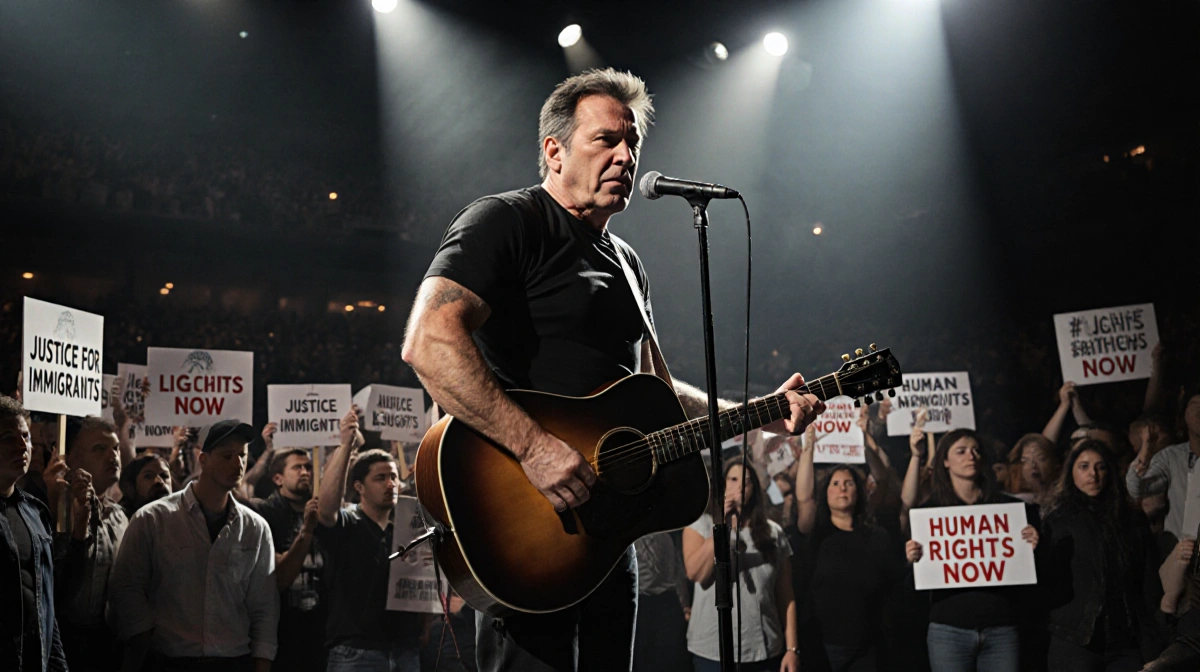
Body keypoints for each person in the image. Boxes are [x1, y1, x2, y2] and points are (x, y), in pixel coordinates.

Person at [400, 67, 824, 672]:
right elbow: (428, 340)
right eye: (606, 139)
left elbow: (659, 397)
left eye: (633, 144)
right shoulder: (506, 221)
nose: (625, 155)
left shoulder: (627, 262)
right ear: (554, 150)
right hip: (527, 527)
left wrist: (760, 417)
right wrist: (534, 447)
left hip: (608, 540)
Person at [108, 419, 279, 672]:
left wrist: (262, 664)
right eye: (227, 456)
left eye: (242, 455)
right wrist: (143, 637)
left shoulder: (256, 528)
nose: (238, 463)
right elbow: (126, 587)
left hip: (232, 661)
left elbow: (264, 605)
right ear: (203, 460)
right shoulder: (154, 519)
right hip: (169, 660)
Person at [904, 429, 1040, 672]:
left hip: (1002, 628)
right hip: (948, 630)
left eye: (976, 450)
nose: (971, 456)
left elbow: (1029, 566)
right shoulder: (929, 513)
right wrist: (913, 557)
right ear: (945, 461)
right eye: (962, 451)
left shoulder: (1010, 510)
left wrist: (1032, 544)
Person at [1038, 440, 1161, 671]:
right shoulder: (1059, 521)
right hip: (1074, 638)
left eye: (1100, 466)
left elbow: (1148, 581)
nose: (1092, 474)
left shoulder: (1132, 520)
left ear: (1110, 471)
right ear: (1071, 472)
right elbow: (1047, 582)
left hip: (1127, 640)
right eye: (1083, 466)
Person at [315, 408, 420, 671]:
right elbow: (326, 509)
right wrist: (345, 444)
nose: (390, 484)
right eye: (380, 478)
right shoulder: (348, 522)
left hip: (405, 651)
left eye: (394, 477)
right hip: (356, 654)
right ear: (359, 487)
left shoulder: (408, 526)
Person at [793, 427, 902, 672]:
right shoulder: (816, 533)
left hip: (867, 647)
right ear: (825, 493)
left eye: (849, 483)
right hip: (823, 647)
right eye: (835, 483)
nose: (842, 488)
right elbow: (804, 499)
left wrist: (864, 440)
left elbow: (882, 480)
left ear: (858, 492)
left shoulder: (877, 537)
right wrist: (808, 449)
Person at [684, 458, 799, 672]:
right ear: (722, 484)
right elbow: (696, 574)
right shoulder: (700, 526)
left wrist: (792, 648)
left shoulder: (773, 532)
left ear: (754, 488)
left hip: (763, 648)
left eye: (746, 482)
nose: (739, 487)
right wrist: (723, 525)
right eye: (733, 479)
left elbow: (786, 595)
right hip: (713, 651)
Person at [45, 416, 130, 672]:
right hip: (62, 647)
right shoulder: (55, 510)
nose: (113, 456)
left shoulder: (120, 516)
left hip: (108, 648)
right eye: (99, 449)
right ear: (69, 458)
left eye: (115, 448)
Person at [0, 395, 68, 672]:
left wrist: (58, 665)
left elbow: (46, 602)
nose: (22, 446)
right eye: (7, 437)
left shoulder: (36, 512)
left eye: (26, 436)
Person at [249, 446, 327, 672]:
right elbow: (275, 576)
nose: (305, 472)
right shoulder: (262, 513)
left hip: (319, 632)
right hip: (280, 632)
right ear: (277, 478)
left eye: (308, 467)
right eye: (297, 467)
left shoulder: (324, 512)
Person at [1127, 386, 1200, 544]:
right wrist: (1146, 449)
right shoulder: (1171, 457)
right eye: (1195, 406)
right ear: (1184, 415)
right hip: (1180, 553)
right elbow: (1136, 488)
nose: (1199, 412)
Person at [631, 531, 691, 672]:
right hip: (641, 605)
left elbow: (677, 571)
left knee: (669, 660)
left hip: (667, 603)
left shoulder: (665, 533)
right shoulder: (631, 536)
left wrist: (685, 605)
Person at [1006, 434, 1061, 509]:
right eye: (1025, 461)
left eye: (1041, 459)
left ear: (1055, 462)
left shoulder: (1063, 499)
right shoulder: (1016, 503)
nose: (1033, 465)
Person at [116, 453, 173, 518]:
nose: (159, 481)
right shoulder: (119, 521)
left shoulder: (183, 517)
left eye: (164, 475)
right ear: (130, 487)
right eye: (148, 476)